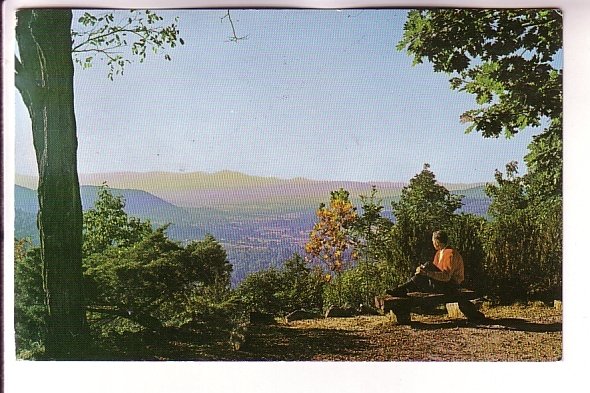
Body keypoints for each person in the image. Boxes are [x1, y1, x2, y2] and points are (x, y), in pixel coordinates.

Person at [386, 230, 486, 322]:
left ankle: (402, 289)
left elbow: (446, 277)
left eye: (433, 241)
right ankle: (402, 289)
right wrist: (422, 271)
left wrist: (426, 272)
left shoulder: (450, 253)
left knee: (428, 265)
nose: (433, 243)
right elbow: (434, 273)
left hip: (451, 286)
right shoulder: (439, 253)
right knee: (426, 267)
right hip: (441, 285)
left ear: (437, 241)